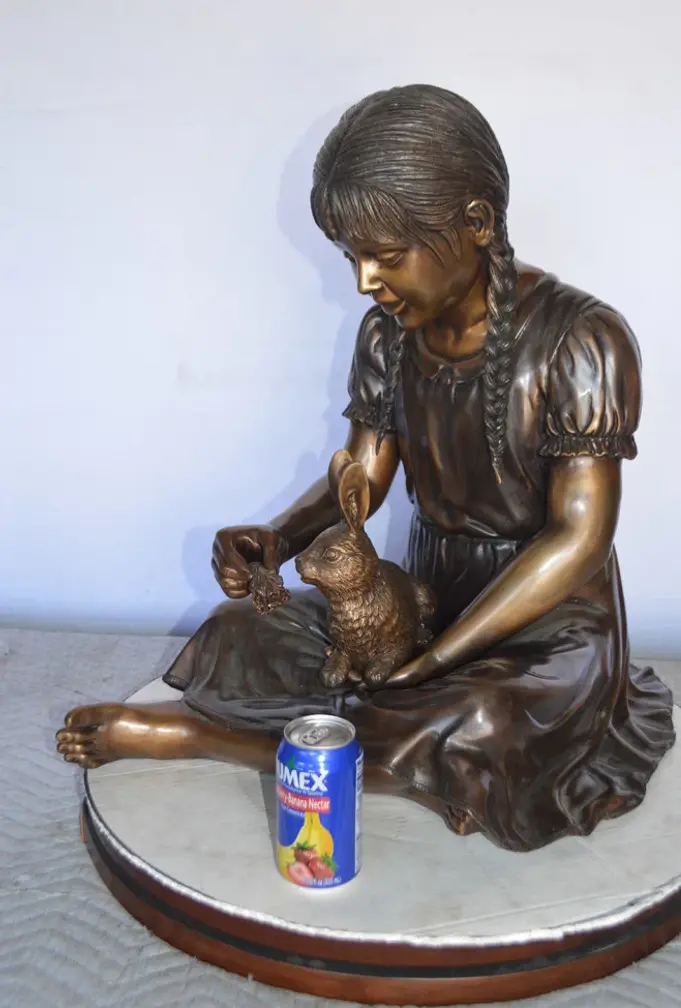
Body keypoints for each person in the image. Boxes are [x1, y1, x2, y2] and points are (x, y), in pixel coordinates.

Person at [57, 85, 674, 852]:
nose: (364, 281)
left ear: (475, 223)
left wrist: (437, 661)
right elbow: (361, 477)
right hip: (420, 603)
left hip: (546, 630)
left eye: (386, 255)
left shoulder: (581, 339)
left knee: (478, 720)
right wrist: (278, 539)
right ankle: (376, 736)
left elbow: (578, 538)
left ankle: (198, 738)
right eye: (352, 256)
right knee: (235, 634)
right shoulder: (388, 335)